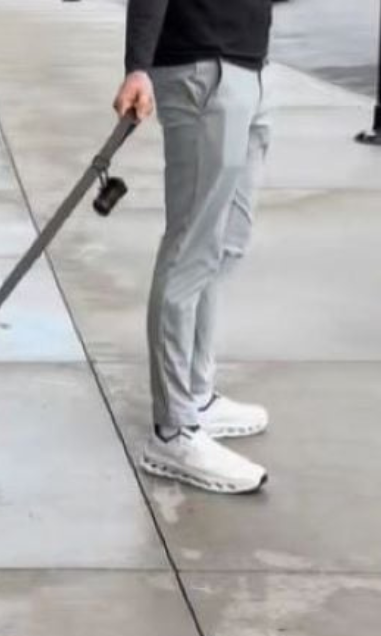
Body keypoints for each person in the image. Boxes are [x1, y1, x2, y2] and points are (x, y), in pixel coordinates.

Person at [117, 0, 274, 494]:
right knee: (191, 250)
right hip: (200, 67)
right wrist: (137, 66)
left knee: (228, 243)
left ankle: (198, 397)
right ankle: (174, 430)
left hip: (247, 62)